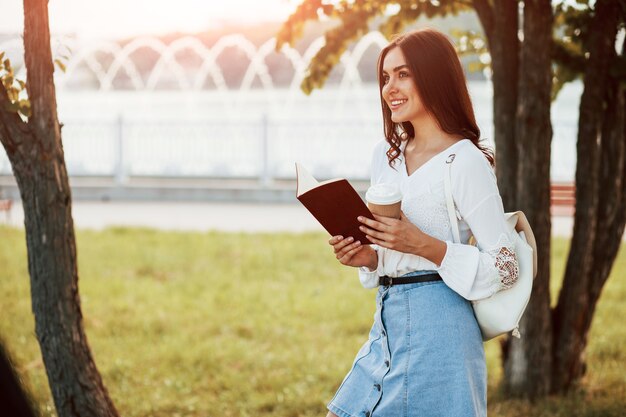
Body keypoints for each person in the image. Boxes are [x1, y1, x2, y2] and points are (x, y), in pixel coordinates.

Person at [325, 28, 519, 417]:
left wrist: (423, 243)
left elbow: (507, 264)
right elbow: (390, 251)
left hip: (441, 326)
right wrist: (368, 257)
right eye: (385, 77)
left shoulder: (464, 161)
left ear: (433, 77)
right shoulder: (386, 156)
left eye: (402, 74)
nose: (389, 88)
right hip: (387, 320)